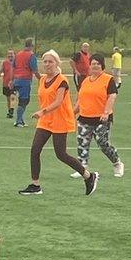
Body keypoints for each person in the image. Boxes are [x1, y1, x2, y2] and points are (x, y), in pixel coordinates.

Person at [18, 50, 98, 196]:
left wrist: (42, 111)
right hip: (46, 120)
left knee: (60, 154)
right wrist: (44, 114)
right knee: (35, 150)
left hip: (60, 120)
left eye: (50, 61)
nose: (47, 64)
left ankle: (88, 176)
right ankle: (35, 185)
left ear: (57, 63)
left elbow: (58, 101)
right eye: (45, 61)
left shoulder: (62, 80)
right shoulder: (42, 79)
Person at [72, 54, 124, 179]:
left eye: (97, 63)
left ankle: (117, 163)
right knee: (82, 143)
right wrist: (73, 112)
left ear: (102, 65)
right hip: (85, 117)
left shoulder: (108, 79)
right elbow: (81, 98)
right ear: (89, 66)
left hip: (101, 118)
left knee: (102, 142)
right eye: (93, 63)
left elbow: (112, 95)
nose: (95, 66)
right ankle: (82, 168)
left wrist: (106, 112)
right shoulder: (85, 81)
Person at [11, 39, 41, 128]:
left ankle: (21, 120)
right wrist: (41, 79)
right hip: (25, 80)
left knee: (22, 100)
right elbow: (35, 70)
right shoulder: (31, 56)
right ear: (32, 45)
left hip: (16, 79)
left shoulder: (18, 54)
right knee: (24, 100)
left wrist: (11, 80)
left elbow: (13, 67)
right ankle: (18, 121)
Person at [0, 48, 16, 119]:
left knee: (12, 97)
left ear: (14, 55)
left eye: (12, 53)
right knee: (8, 98)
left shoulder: (17, 63)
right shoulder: (4, 62)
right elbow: (0, 70)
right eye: (9, 54)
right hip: (5, 83)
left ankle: (11, 111)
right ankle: (9, 111)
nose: (10, 55)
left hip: (14, 83)